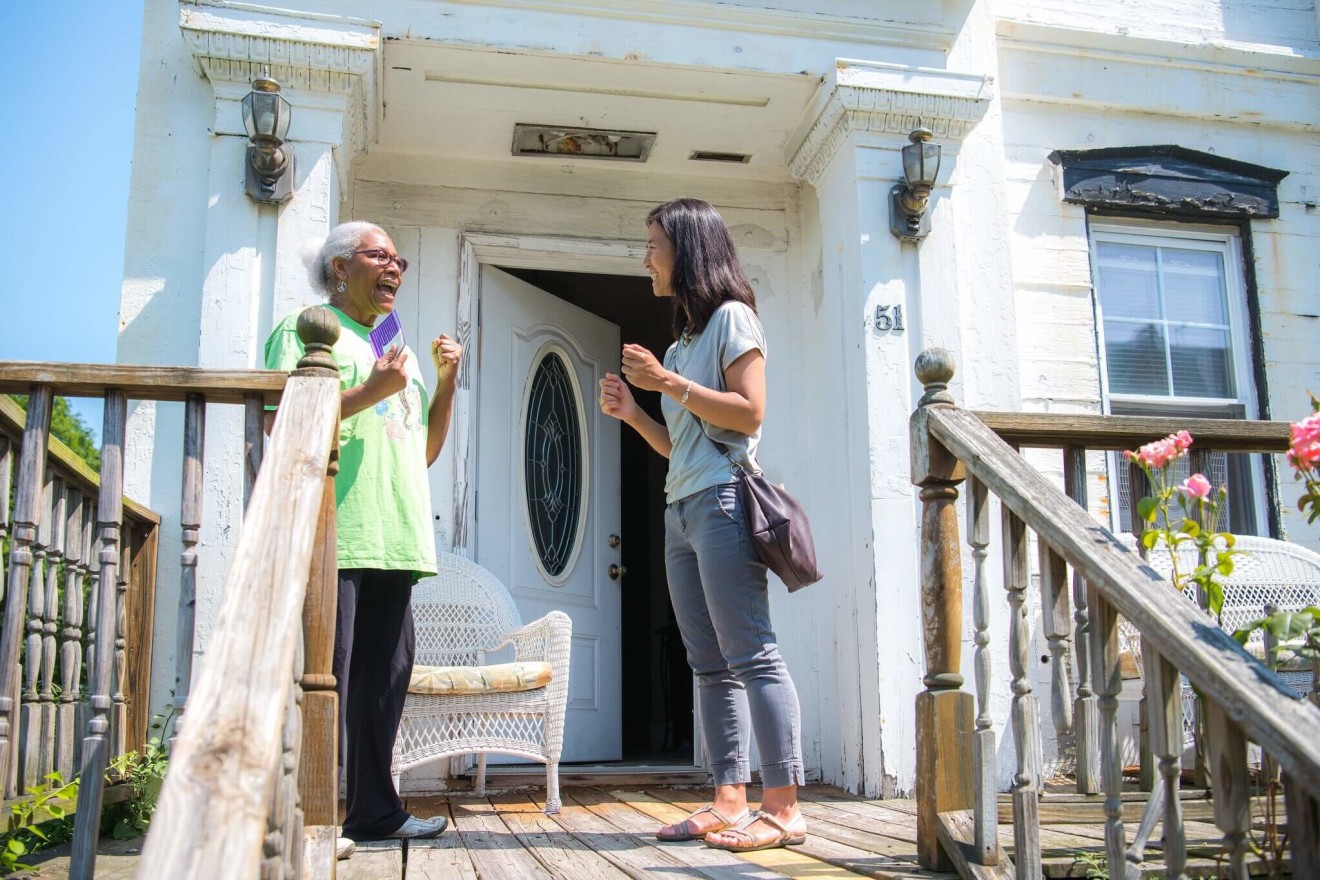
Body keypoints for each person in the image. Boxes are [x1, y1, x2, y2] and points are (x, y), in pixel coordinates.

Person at [597, 198, 807, 853]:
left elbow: (749, 413)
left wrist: (668, 382)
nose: (646, 257)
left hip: (722, 504)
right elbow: (681, 444)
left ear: (687, 249)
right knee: (708, 666)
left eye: (653, 243)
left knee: (753, 655)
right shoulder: (683, 341)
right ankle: (728, 799)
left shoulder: (731, 320)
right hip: (682, 506)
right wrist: (635, 411)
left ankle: (784, 808)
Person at [263, 221, 462, 844]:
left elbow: (425, 450)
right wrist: (372, 389)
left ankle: (376, 811)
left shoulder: (393, 348)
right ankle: (315, 818)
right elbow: (282, 426)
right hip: (337, 533)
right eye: (380, 256)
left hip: (397, 536)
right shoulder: (308, 330)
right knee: (329, 680)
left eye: (399, 258)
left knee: (383, 685)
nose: (395, 267)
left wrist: (445, 382)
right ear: (340, 267)